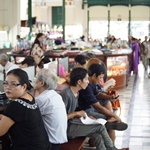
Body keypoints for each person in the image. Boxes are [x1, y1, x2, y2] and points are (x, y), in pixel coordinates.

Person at [60, 67, 128, 150]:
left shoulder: (76, 93)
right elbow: (59, 118)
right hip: (66, 129)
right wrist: (76, 114)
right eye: (86, 79)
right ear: (79, 82)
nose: (88, 82)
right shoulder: (66, 95)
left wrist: (85, 118)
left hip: (73, 124)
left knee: (97, 136)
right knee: (100, 127)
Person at [0, 68, 51, 150]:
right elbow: (16, 118)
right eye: (5, 83)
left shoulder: (15, 106)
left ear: (24, 86)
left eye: (13, 84)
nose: (7, 88)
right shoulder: (30, 97)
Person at [78, 64, 128, 143]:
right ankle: (110, 122)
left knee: (106, 101)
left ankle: (109, 120)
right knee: (111, 124)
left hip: (91, 107)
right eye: (100, 77)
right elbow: (98, 107)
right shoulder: (86, 87)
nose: (100, 80)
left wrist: (109, 97)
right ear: (94, 76)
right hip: (86, 111)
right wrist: (116, 116)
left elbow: (98, 94)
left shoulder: (92, 83)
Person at [33, 68, 68, 150]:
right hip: (58, 140)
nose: (33, 80)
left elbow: (28, 117)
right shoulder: (55, 95)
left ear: (41, 83)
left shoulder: (42, 99)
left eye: (35, 77)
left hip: (50, 144)